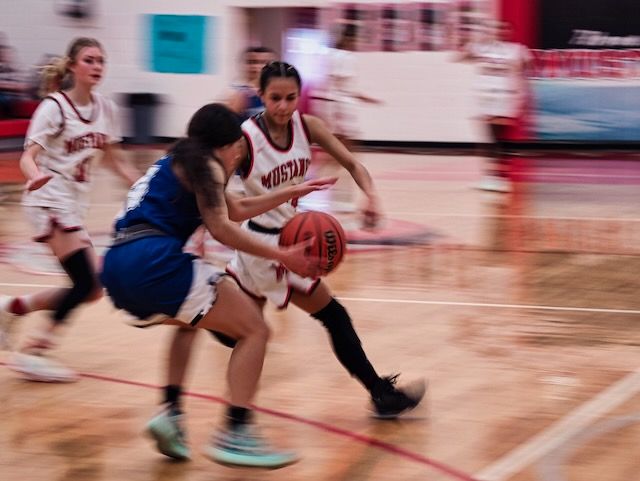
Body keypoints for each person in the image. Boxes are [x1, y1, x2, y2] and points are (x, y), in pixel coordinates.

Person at [160, 63, 425, 456]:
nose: (283, 107)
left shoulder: (309, 126)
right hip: (265, 248)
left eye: (289, 98)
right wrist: (201, 231)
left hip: (287, 243)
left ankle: (194, 412)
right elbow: (217, 195)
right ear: (260, 96)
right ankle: (376, 395)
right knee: (320, 318)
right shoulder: (245, 139)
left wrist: (371, 195)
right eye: (274, 98)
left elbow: (353, 163)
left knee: (243, 330)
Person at [100, 102, 334, 467]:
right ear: (226, 145)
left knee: (187, 325)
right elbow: (223, 227)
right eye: (239, 147)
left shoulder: (181, 159)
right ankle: (236, 432)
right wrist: (283, 255)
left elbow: (236, 209)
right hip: (153, 260)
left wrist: (291, 192)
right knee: (255, 331)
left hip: (116, 265)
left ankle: (171, 413)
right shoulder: (209, 164)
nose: (240, 155)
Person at [0, 37, 140, 381]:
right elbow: (28, 157)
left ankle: (13, 307)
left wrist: (142, 185)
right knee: (84, 280)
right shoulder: (55, 107)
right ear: (73, 66)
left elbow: (116, 160)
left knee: (91, 290)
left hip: (73, 204)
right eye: (89, 60)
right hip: (48, 199)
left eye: (101, 61)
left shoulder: (106, 109)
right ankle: (35, 351)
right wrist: (34, 177)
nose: (97, 67)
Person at [308, 23, 382, 212]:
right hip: (340, 111)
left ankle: (334, 194)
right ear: (349, 38)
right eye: (357, 38)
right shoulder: (344, 57)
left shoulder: (332, 55)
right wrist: (335, 119)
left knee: (339, 157)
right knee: (347, 157)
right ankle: (338, 197)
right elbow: (332, 87)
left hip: (338, 109)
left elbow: (338, 87)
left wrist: (365, 97)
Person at [459, 20, 532, 193]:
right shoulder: (481, 48)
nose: (500, 31)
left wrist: (524, 97)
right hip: (485, 97)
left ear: (510, 31)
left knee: (497, 138)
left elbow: (527, 70)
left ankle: (500, 177)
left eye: (504, 28)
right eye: (497, 28)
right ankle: (491, 176)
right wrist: (472, 40)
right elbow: (459, 57)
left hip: (504, 96)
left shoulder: (517, 50)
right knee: (488, 139)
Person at [226, 46, 276, 122]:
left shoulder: (278, 93)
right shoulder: (236, 94)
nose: (257, 67)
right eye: (251, 62)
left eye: (264, 62)